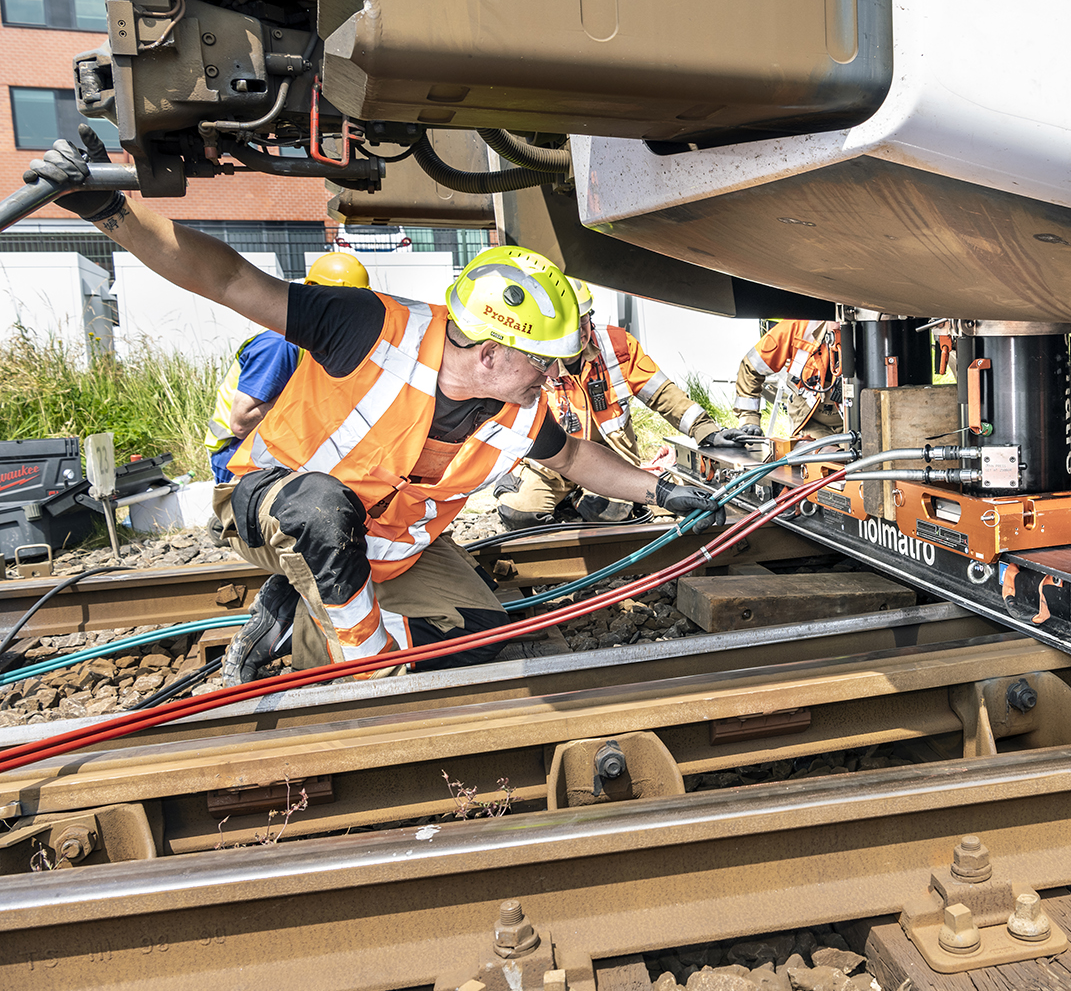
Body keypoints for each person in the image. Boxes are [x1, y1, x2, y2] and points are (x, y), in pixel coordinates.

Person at [26, 136, 721, 685]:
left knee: (484, 639)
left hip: (394, 544)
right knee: (329, 529)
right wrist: (107, 210)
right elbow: (230, 277)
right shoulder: (364, 325)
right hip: (279, 506)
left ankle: (302, 610)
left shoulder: (513, 405)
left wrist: (664, 489)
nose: (550, 375)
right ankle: (348, 654)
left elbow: (572, 457)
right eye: (539, 360)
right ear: (487, 353)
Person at [494, 277, 755, 529]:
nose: (582, 331)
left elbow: (662, 394)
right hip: (553, 459)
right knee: (518, 510)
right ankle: (568, 505)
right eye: (572, 325)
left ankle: (585, 507)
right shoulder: (532, 360)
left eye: (584, 320)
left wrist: (706, 430)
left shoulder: (616, 345)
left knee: (605, 512)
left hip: (610, 459)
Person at [203, 253, 369, 483]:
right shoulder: (280, 345)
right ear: (314, 297)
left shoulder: (317, 340)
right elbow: (241, 422)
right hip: (238, 453)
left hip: (272, 445)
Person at [733, 318, 844, 440]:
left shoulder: (868, 334)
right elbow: (752, 367)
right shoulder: (797, 326)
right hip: (810, 420)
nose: (841, 323)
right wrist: (749, 419)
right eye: (837, 316)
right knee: (823, 456)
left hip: (855, 421)